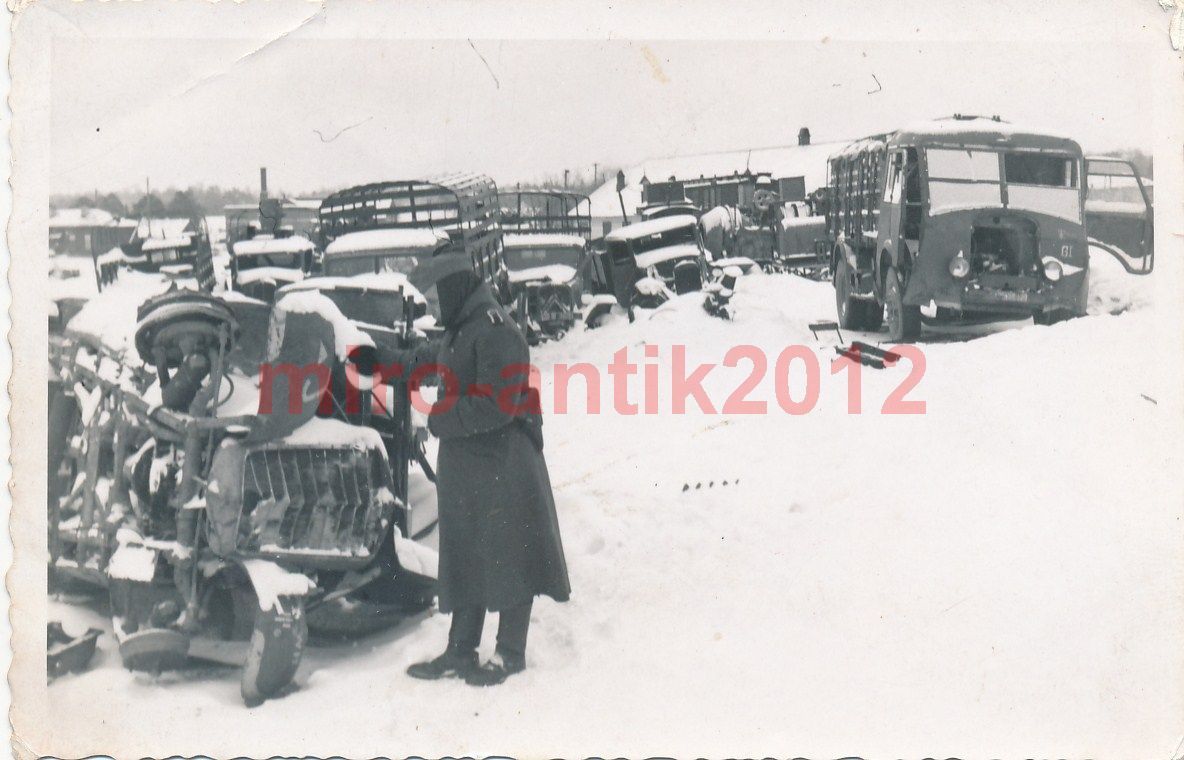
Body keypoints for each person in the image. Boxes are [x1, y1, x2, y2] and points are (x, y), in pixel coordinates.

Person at [404, 252, 571, 687]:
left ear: (454, 289)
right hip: (472, 466)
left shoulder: (496, 330)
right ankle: (461, 650)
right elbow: (443, 362)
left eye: (436, 301)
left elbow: (497, 405)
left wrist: (438, 419)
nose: (434, 311)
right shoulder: (465, 324)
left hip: (504, 464)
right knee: (467, 554)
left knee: (510, 556)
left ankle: (509, 654)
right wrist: (385, 359)